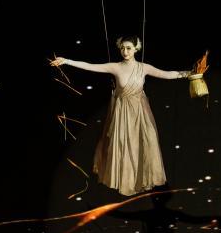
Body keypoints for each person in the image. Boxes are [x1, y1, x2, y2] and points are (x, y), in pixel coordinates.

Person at [50, 36, 192, 196]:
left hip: (140, 112)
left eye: (129, 48)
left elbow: (166, 74)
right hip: (122, 112)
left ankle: (140, 179)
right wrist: (67, 61)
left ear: (136, 48)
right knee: (123, 144)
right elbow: (90, 66)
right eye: (122, 48)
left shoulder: (143, 67)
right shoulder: (115, 67)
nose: (125, 51)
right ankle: (126, 182)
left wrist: (188, 74)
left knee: (147, 140)